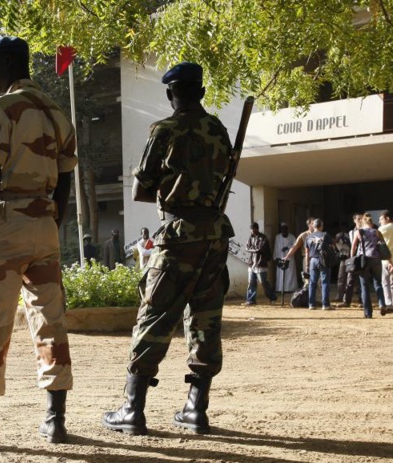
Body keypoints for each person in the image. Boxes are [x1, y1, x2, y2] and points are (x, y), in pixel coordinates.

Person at [0, 36, 76, 451]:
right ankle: (55, 421)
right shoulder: (58, 112)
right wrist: (55, 218)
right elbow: (67, 177)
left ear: (6, 63)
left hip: (7, 222)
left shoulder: (3, 106)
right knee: (50, 322)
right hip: (45, 224)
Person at [101, 62, 234, 436]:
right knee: (205, 320)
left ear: (170, 94)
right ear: (202, 93)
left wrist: (171, 187)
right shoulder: (218, 130)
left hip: (178, 235)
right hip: (214, 236)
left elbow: (139, 189)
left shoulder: (164, 130)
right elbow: (223, 174)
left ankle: (133, 409)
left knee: (154, 317)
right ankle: (196, 409)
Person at [350, 213, 386, 318]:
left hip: (363, 260)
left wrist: (352, 258)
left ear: (363, 222)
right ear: (371, 223)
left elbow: (353, 247)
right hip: (376, 259)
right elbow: (383, 245)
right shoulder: (377, 232)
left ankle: (368, 313)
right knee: (378, 283)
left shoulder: (359, 232)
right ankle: (382, 303)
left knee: (364, 286)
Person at [244, 222, 276, 305]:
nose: (252, 231)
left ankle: (272, 297)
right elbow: (247, 248)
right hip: (252, 263)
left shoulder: (263, 238)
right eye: (251, 229)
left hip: (260, 263)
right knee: (251, 282)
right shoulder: (250, 238)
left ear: (257, 229)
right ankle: (250, 300)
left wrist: (253, 249)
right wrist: (254, 249)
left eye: (253, 229)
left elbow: (260, 249)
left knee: (263, 282)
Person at [304, 219, 333, 310]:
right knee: (324, 282)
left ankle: (311, 304)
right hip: (323, 259)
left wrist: (307, 264)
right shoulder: (325, 235)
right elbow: (331, 246)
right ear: (321, 226)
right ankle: (325, 305)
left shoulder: (308, 237)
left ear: (313, 226)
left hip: (312, 260)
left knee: (312, 283)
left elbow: (307, 252)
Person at [378, 210, 393, 313]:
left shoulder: (384, 229)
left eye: (381, 219)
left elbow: (376, 237)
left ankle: (389, 304)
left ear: (387, 218)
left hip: (387, 259)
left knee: (386, 282)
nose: (380, 222)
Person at [283, 218, 315, 286]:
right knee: (307, 280)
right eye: (313, 223)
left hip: (317, 259)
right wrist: (287, 256)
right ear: (309, 225)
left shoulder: (319, 234)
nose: (315, 225)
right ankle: (306, 296)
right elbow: (295, 246)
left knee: (318, 281)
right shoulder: (304, 235)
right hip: (307, 259)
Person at [341, 213, 363, 307]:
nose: (360, 220)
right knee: (350, 280)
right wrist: (351, 258)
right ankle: (346, 301)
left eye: (362, 218)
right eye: (358, 219)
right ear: (354, 220)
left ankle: (362, 301)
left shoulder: (367, 231)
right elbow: (352, 246)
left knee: (362, 280)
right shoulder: (351, 232)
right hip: (354, 258)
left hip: (363, 257)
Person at [273, 223, 297, 293]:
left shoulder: (292, 237)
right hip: (280, 257)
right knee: (281, 274)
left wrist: (288, 247)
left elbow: (295, 246)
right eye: (282, 228)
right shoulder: (278, 237)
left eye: (285, 228)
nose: (284, 230)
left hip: (290, 258)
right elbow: (276, 248)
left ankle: (290, 289)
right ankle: (281, 289)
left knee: (290, 274)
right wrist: (276, 258)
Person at [334, 229, 351, 302]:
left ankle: (344, 297)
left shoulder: (343, 241)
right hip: (344, 260)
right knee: (342, 278)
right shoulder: (339, 242)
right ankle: (341, 296)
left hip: (348, 259)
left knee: (346, 279)